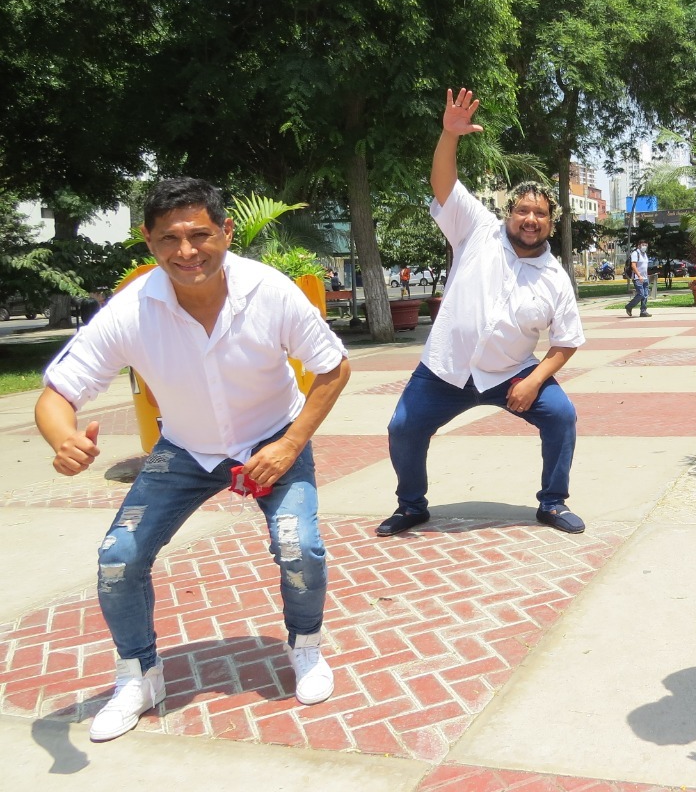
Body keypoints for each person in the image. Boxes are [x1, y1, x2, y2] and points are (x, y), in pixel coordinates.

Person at [35, 177, 351, 742]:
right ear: (148, 240)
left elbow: (333, 367)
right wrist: (62, 438)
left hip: (273, 441)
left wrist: (289, 445)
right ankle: (139, 675)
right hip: (184, 449)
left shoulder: (270, 292)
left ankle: (305, 645)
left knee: (298, 546)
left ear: (225, 232)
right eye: (169, 239)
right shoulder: (131, 311)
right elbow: (57, 393)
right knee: (118, 557)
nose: (186, 252)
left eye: (200, 235)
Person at [378, 88, 587, 538]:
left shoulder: (555, 277)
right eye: (523, 210)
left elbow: (566, 342)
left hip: (511, 373)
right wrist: (449, 135)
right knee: (403, 427)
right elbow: (444, 184)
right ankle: (411, 505)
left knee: (561, 416)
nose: (530, 218)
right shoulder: (476, 230)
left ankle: (553, 503)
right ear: (509, 213)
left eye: (541, 213)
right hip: (444, 371)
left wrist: (533, 382)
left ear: (551, 223)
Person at [624, 239, 651, 317]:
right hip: (637, 278)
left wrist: (646, 276)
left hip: (645, 277)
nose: (644, 246)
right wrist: (639, 275)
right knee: (641, 294)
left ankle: (643, 311)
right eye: (643, 245)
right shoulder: (635, 253)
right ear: (639, 245)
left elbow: (644, 266)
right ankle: (629, 306)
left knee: (645, 295)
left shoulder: (644, 254)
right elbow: (633, 265)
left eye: (646, 245)